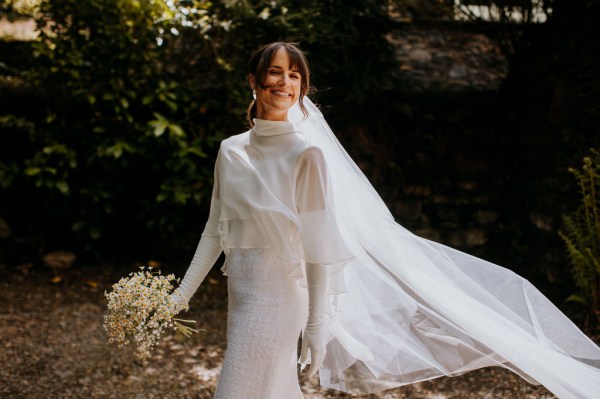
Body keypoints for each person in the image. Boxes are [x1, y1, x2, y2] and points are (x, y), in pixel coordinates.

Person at [173, 42, 600, 399]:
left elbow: (319, 246)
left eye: (294, 76)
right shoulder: (231, 150)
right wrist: (179, 297)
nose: (284, 83)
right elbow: (215, 230)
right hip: (241, 294)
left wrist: (318, 324)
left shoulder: (308, 154)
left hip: (279, 299)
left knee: (236, 389)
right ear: (253, 81)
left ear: (303, 87)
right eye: (274, 72)